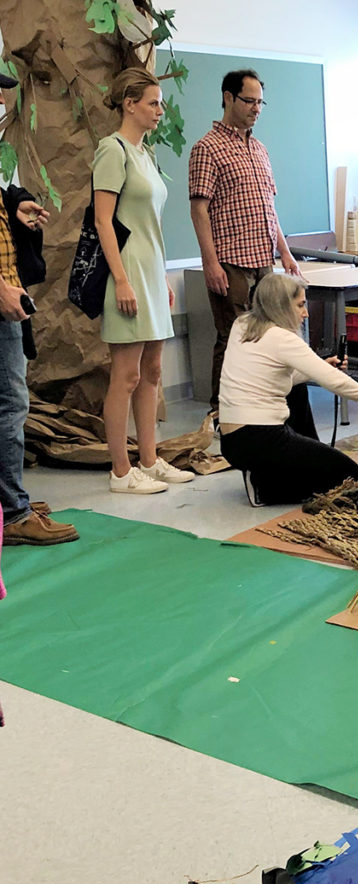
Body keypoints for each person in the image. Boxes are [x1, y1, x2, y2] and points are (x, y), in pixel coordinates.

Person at [93, 68, 194, 495]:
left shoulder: (145, 153)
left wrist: (161, 276)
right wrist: (121, 279)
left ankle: (150, 460)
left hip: (151, 270)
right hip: (127, 269)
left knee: (153, 369)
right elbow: (103, 220)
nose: (159, 110)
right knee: (127, 374)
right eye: (152, 102)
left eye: (160, 102)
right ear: (129, 104)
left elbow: (151, 221)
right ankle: (120, 471)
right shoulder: (111, 150)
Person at [189, 68, 302, 412]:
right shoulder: (206, 148)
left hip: (263, 260)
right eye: (249, 101)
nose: (256, 108)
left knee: (269, 336)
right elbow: (199, 210)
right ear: (228, 98)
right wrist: (210, 263)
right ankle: (222, 414)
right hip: (229, 261)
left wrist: (285, 252)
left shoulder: (260, 149)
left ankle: (261, 407)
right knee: (233, 338)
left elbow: (269, 207)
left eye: (260, 102)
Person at [0, 72, 79, 544]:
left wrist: (17, 212)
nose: (3, 99)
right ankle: (13, 513)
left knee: (10, 403)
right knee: (10, 405)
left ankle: (10, 499)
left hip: (9, 299)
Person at [218, 273, 358, 506]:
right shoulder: (282, 338)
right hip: (260, 438)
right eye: (301, 305)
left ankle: (277, 468)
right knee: (350, 476)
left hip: (231, 441)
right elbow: (334, 381)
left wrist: (321, 365)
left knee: (297, 388)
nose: (306, 313)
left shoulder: (241, 324)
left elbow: (273, 374)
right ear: (281, 306)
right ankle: (266, 487)